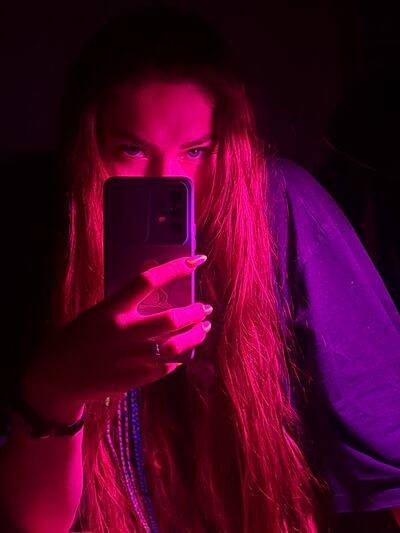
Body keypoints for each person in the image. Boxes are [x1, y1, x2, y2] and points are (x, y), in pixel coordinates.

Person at [0, 6, 399, 533]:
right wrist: (56, 388)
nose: (167, 179)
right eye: (132, 150)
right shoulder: (36, 233)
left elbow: (386, 437)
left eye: (195, 151)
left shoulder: (278, 208)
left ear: (229, 148)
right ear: (87, 148)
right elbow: (34, 523)